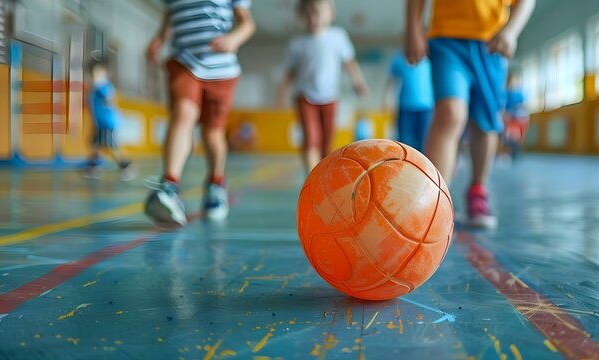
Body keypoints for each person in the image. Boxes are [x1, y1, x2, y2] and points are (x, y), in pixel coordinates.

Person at [405, 0, 535, 228]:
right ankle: (434, 199)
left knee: (485, 124)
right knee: (450, 113)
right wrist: (414, 27)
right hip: (446, 38)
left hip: (492, 42)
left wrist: (512, 31)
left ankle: (477, 190)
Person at [144, 0, 256, 227]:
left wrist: (234, 38)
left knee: (212, 133)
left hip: (221, 68)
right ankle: (170, 186)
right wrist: (159, 38)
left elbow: (247, 23)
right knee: (183, 114)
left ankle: (216, 184)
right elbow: (170, 15)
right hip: (184, 62)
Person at [276, 0, 368, 172]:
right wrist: (282, 91)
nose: (313, 19)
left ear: (330, 14)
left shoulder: (338, 37)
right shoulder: (298, 43)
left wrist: (358, 81)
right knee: (311, 139)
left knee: (327, 143)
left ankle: (325, 175)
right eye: (309, 14)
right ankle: (312, 176)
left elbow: (350, 63)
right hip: (305, 96)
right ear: (302, 16)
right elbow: (290, 72)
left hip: (330, 97)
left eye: (317, 14)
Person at [84, 60, 136, 181]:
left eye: (97, 73)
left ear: (104, 74)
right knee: (96, 145)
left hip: (108, 123)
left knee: (113, 147)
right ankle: (94, 167)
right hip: (100, 124)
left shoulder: (104, 87)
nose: (94, 75)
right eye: (92, 73)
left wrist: (98, 87)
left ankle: (127, 166)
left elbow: (108, 98)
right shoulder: (93, 89)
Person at [383, 51, 433, 153]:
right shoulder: (399, 59)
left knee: (426, 143)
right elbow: (391, 81)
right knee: (406, 143)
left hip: (427, 108)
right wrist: (387, 100)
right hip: (405, 107)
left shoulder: (429, 59)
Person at [502, 71, 530, 162]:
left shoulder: (521, 93)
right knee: (509, 136)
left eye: (516, 80)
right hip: (511, 119)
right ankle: (509, 152)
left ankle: (516, 152)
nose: (514, 82)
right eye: (512, 80)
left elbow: (524, 105)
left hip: (521, 119)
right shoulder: (506, 93)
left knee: (520, 137)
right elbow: (504, 105)